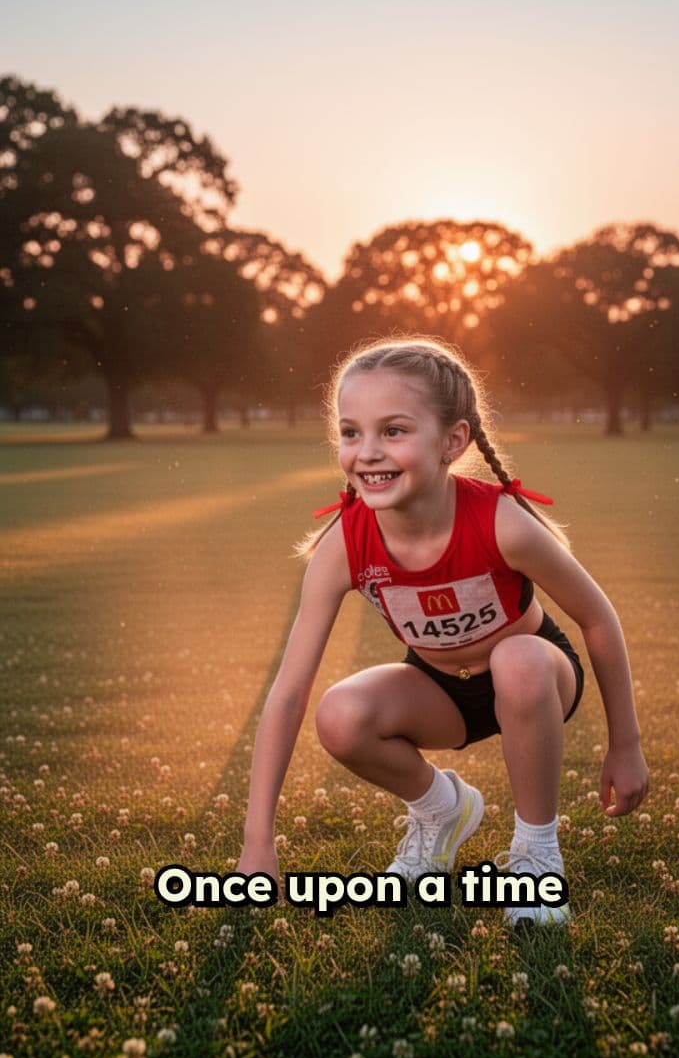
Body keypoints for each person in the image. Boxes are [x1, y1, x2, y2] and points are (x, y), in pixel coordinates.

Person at [237, 336, 649, 926]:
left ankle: (536, 855)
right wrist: (258, 841)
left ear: (453, 441)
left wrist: (625, 745)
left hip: (537, 678)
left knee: (518, 661)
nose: (367, 452)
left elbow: (597, 618)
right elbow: (288, 693)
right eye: (351, 432)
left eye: (393, 431)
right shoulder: (344, 546)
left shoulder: (502, 522)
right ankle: (440, 809)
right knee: (339, 715)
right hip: (439, 690)